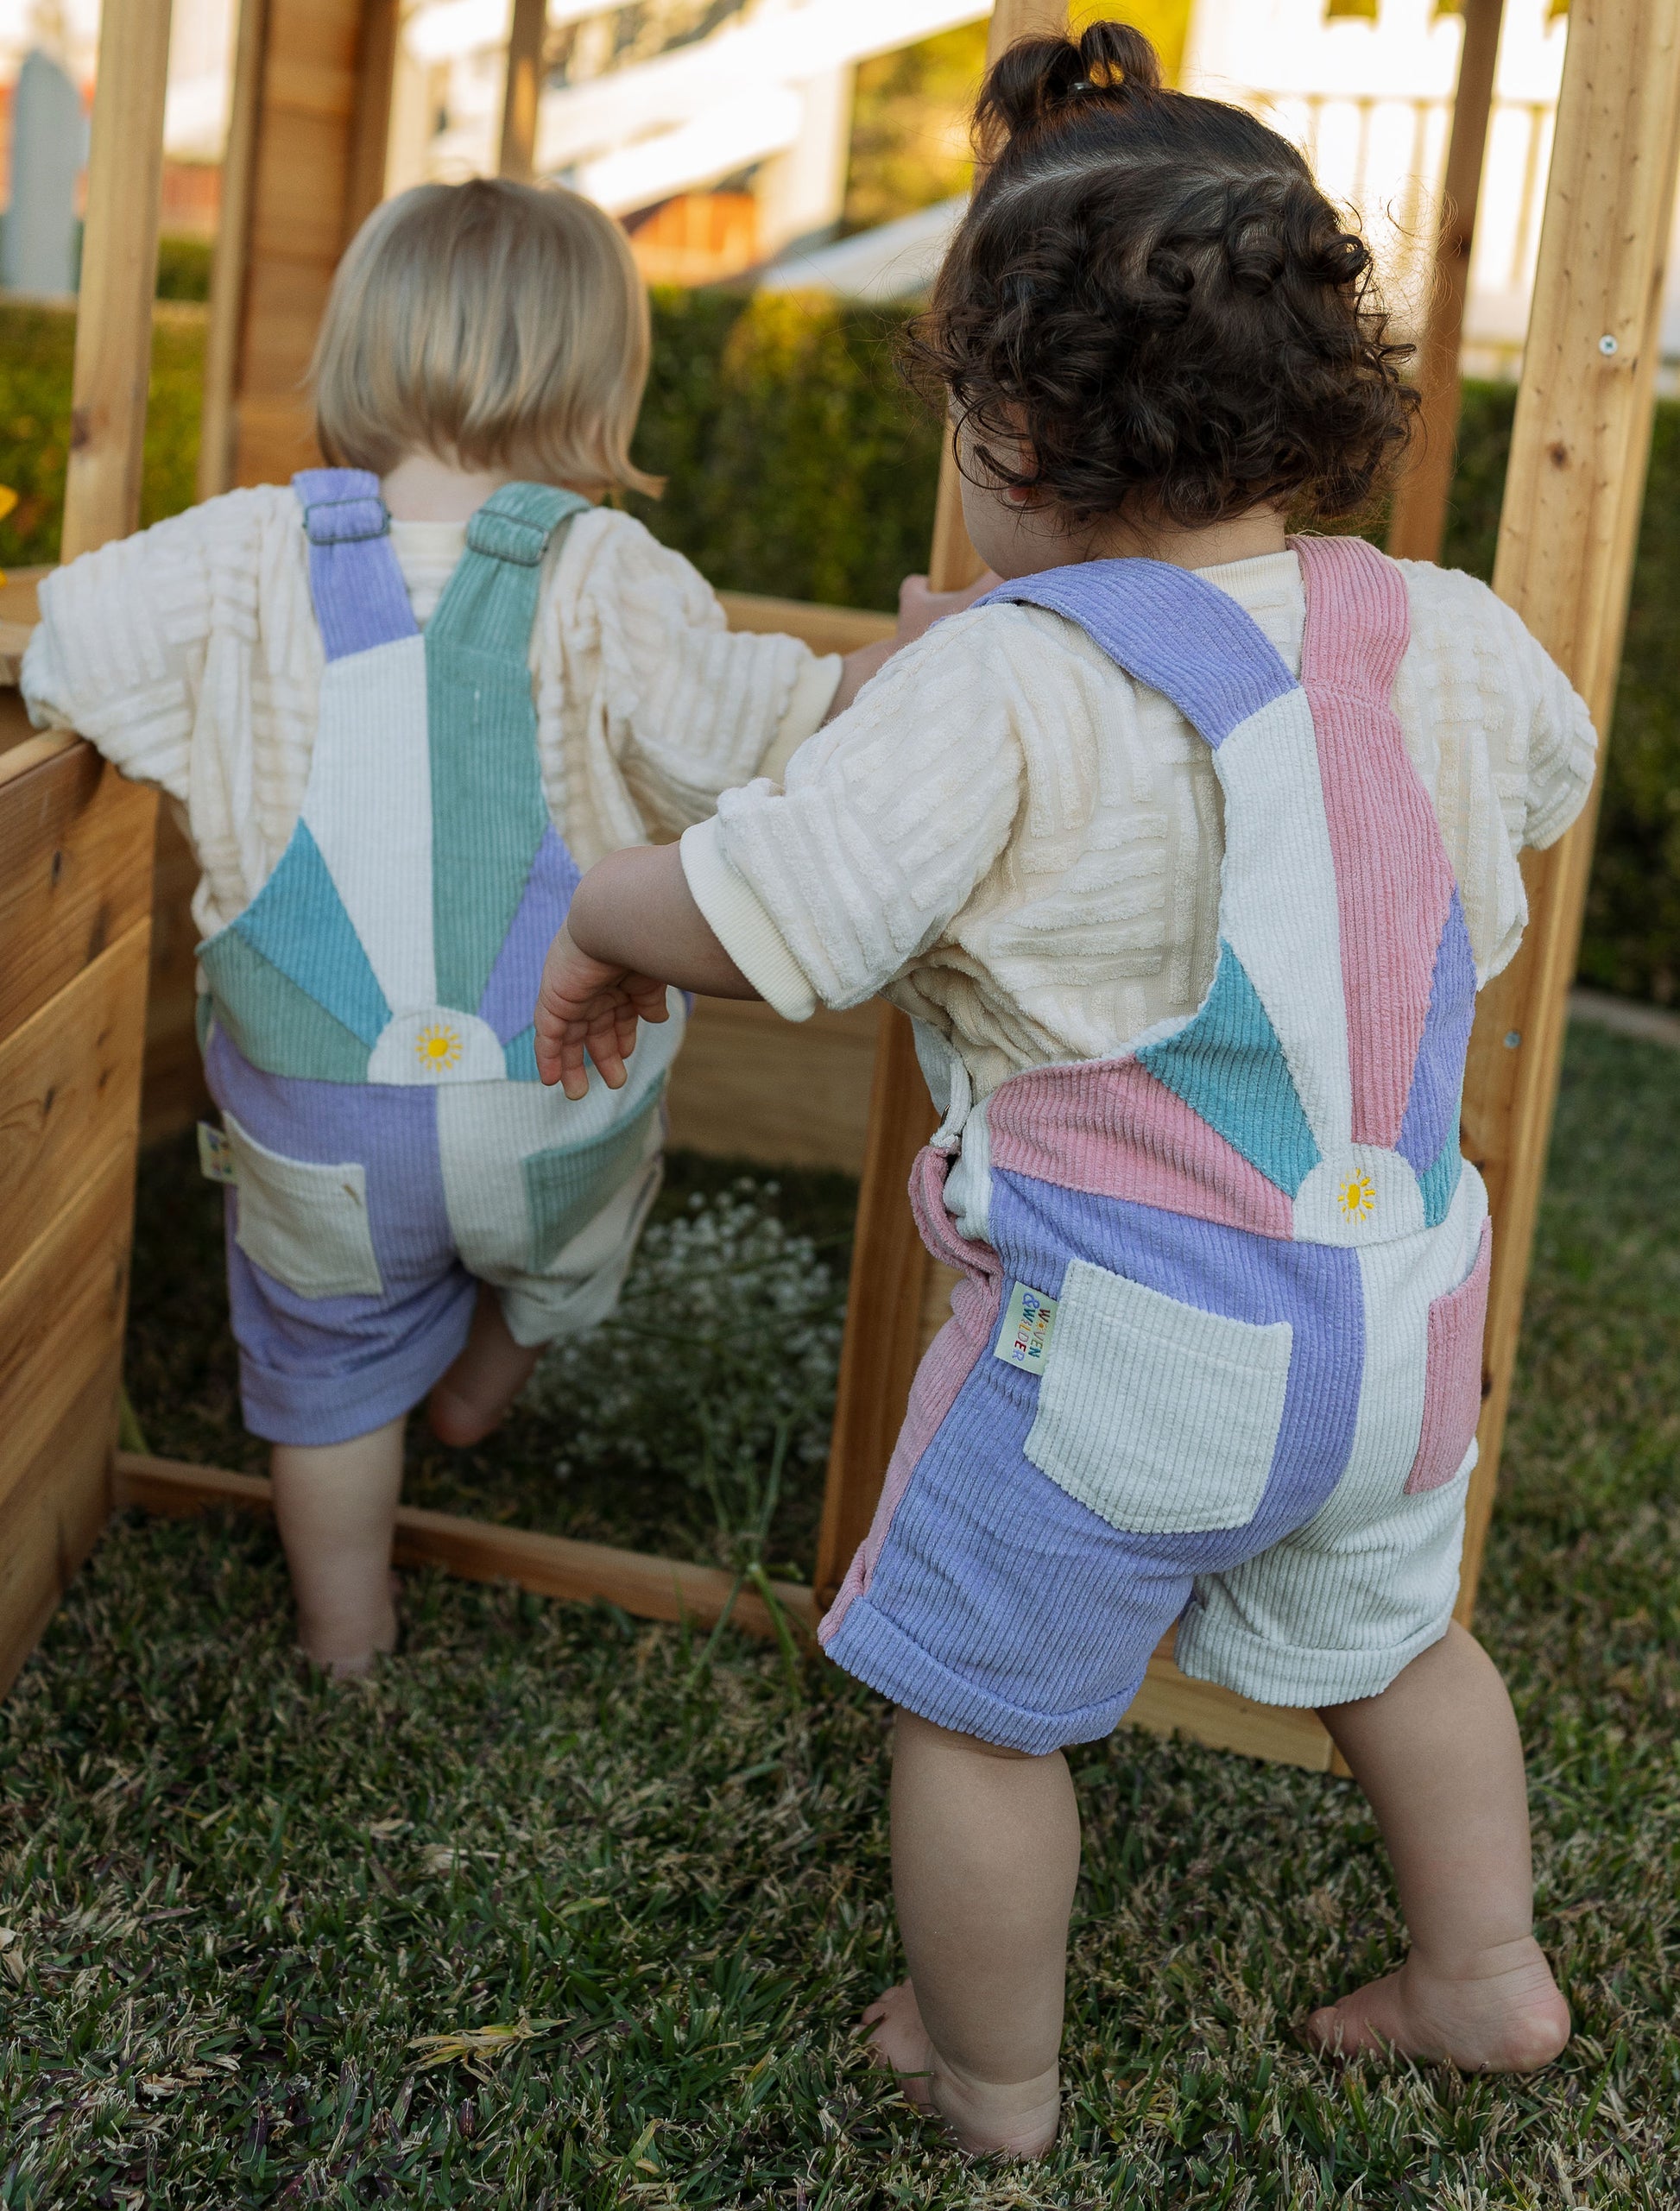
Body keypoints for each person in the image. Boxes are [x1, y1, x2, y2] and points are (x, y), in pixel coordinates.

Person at [531, 23, 1595, 2157]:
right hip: (1399, 1329)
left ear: (1008, 423)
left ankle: (984, 2071)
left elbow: (773, 913)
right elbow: (1540, 791)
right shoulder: (1448, 633)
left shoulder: (1010, 680)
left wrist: (596, 914)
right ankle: (1484, 1975)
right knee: (1396, 1648)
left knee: (978, 1708)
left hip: (1131, 1347)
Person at [22, 177, 925, 1677]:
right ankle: (494, 1367)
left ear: (361, 350)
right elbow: (751, 730)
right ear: (596, 378)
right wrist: (902, 656)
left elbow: (66, 645)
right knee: (579, 1211)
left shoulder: (246, 552)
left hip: (319, 1123)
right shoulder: (606, 573)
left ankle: (345, 1635)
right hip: (548, 1103)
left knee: (327, 1374)